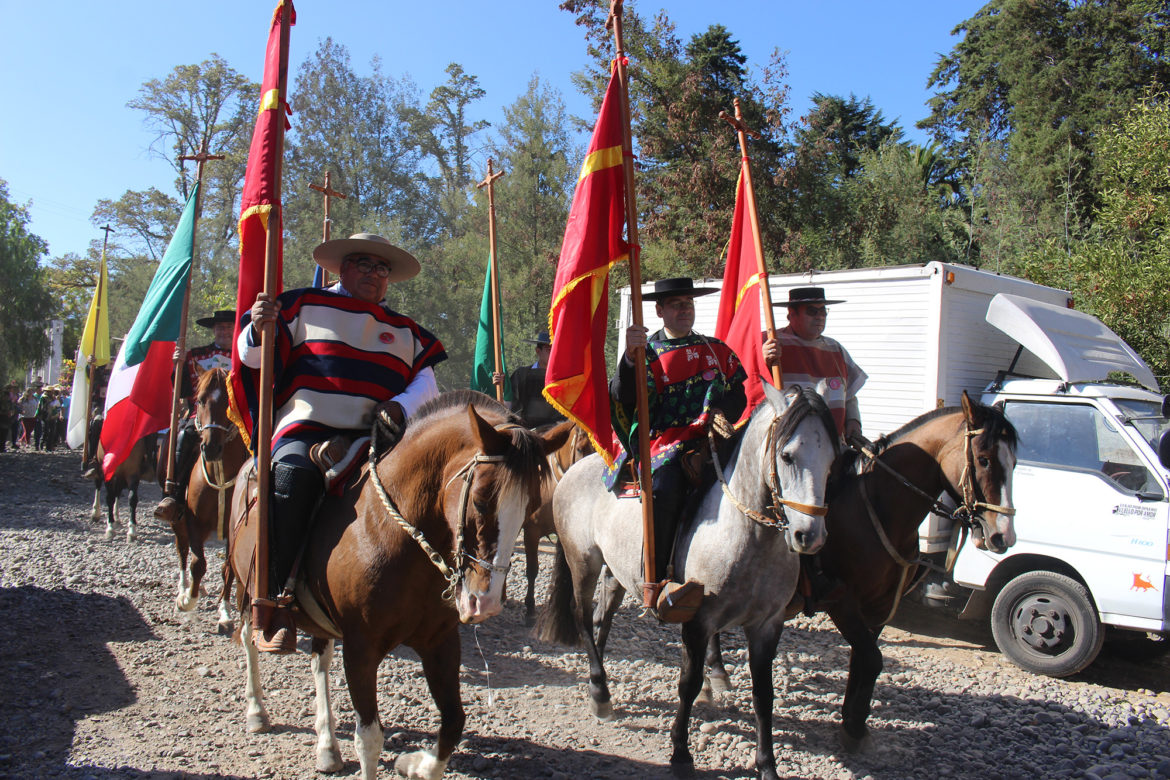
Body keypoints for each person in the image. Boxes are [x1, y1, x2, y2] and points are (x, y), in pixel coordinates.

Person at [239, 232, 446, 653]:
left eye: (382, 268)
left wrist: (399, 407)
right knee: (292, 480)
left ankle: (432, 600)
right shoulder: (300, 305)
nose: (375, 274)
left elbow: (427, 386)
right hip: (308, 429)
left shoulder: (407, 331)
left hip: (379, 437)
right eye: (365, 264)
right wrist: (257, 330)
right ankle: (278, 601)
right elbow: (255, 359)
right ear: (342, 268)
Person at [609, 277, 747, 619]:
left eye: (689, 303)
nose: (685, 309)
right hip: (665, 441)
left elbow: (739, 395)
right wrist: (629, 357)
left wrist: (721, 412)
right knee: (664, 490)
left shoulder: (717, 349)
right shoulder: (646, 353)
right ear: (659, 311)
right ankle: (657, 580)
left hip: (714, 438)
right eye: (676, 304)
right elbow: (622, 397)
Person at [154, 310, 236, 523]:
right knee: (184, 435)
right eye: (220, 327)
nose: (224, 331)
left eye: (228, 327)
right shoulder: (195, 355)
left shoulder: (244, 354)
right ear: (213, 330)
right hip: (200, 415)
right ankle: (173, 495)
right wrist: (177, 366)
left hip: (236, 416)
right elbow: (180, 389)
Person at [762, 287, 866, 441]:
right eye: (812, 311)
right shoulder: (771, 344)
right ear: (791, 314)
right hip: (788, 448)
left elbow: (849, 395)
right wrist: (762, 360)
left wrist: (853, 421)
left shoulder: (835, 349)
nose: (819, 317)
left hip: (833, 445)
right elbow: (748, 383)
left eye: (823, 311)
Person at [507, 330, 564, 429]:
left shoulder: (563, 378)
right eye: (548, 349)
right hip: (528, 433)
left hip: (557, 433)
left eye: (555, 349)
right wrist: (501, 383)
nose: (553, 353)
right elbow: (510, 402)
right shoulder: (521, 374)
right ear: (538, 351)